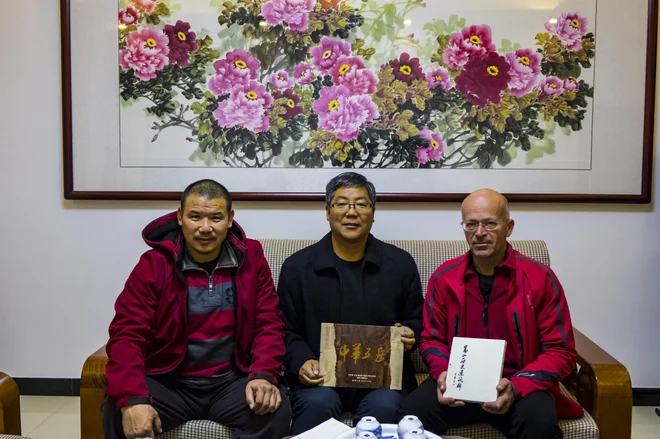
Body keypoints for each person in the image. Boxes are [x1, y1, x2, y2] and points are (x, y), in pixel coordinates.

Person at [102, 179, 291, 439]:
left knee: (275, 411)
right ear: (180, 217)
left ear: (229, 218)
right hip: (170, 381)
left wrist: (263, 374)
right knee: (117, 410)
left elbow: (268, 321)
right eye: (195, 217)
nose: (205, 228)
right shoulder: (154, 264)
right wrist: (132, 399)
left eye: (215, 218)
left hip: (231, 380)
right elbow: (127, 334)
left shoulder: (252, 257)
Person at [399, 188, 583, 439]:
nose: (479, 233)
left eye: (489, 223)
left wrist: (517, 387)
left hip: (520, 385)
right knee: (412, 413)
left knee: (539, 424)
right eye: (471, 224)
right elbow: (431, 340)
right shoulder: (443, 278)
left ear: (509, 227)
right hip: (459, 384)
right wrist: (445, 375)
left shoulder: (539, 278)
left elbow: (561, 351)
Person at [278, 172, 424, 435]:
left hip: (382, 381)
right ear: (327, 211)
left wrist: (411, 333)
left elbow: (417, 319)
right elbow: (285, 329)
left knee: (387, 405)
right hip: (321, 380)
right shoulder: (297, 268)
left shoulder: (400, 264)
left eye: (361, 204)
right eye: (342, 203)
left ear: (373, 211)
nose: (351, 212)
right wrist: (301, 361)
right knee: (317, 404)